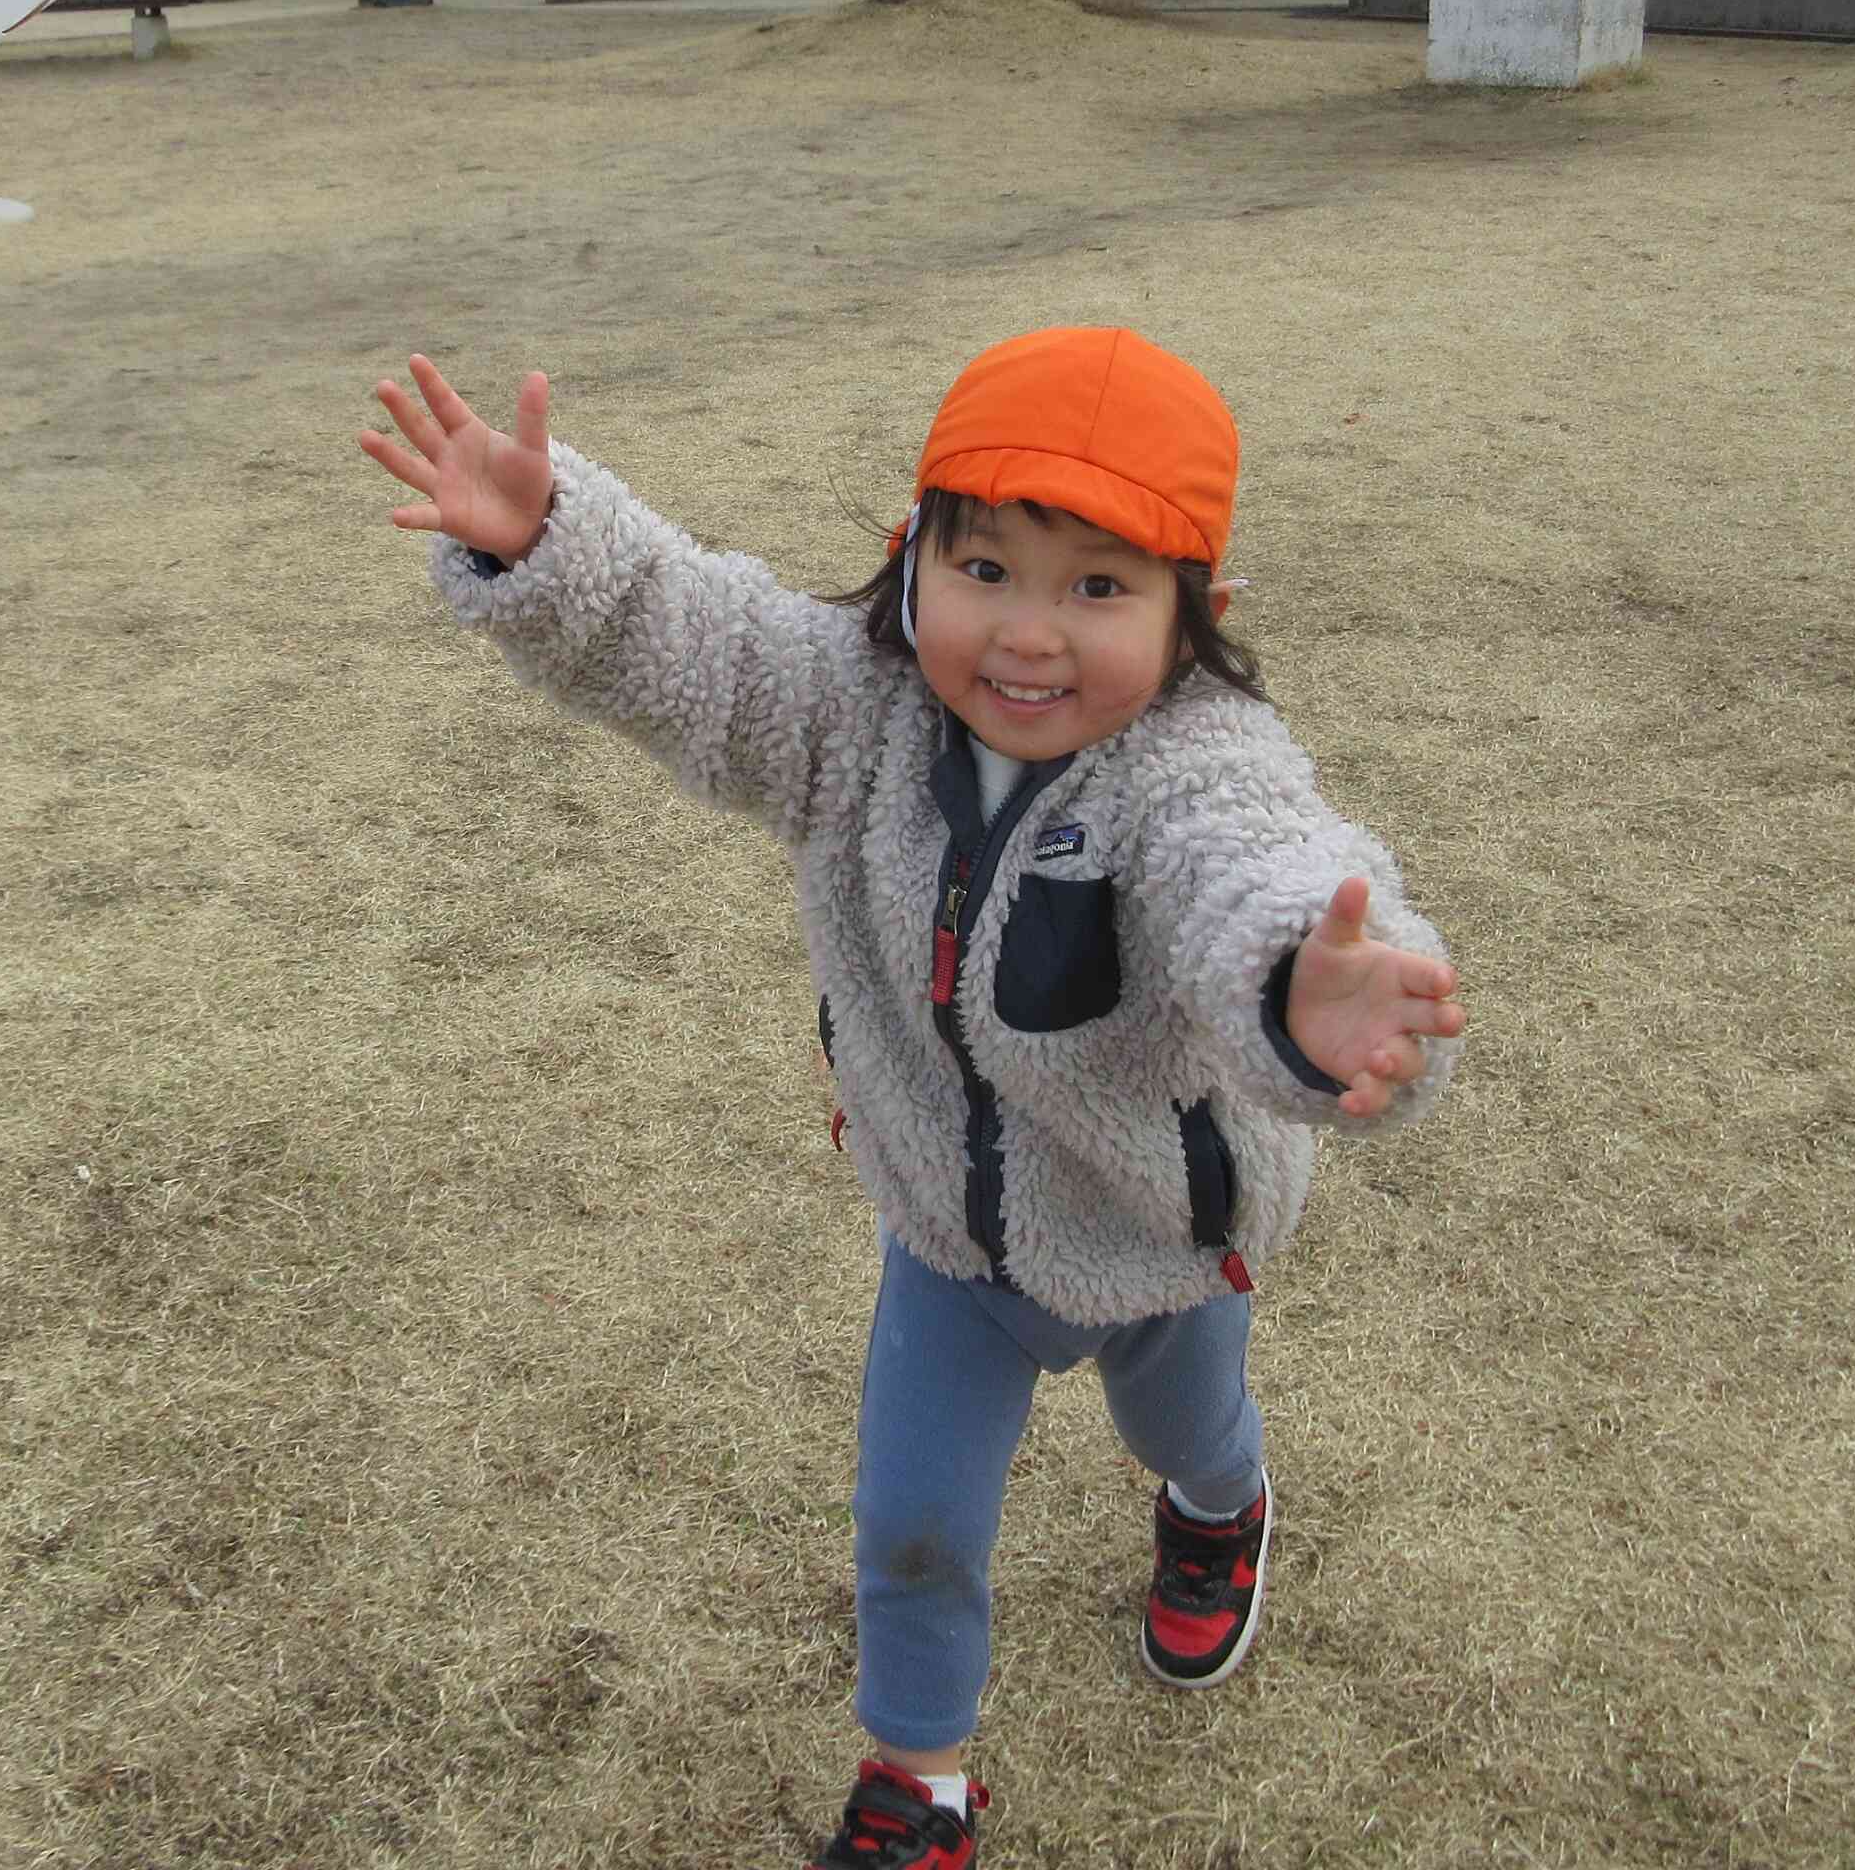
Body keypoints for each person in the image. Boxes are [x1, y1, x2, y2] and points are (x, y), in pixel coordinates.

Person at [357, 329, 1464, 1869]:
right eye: (987, 567)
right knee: (912, 1526)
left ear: (1191, 615)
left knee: (1185, 1428)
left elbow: (1254, 866)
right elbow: (700, 636)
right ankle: (921, 1784)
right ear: (911, 561)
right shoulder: (851, 715)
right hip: (952, 1243)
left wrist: (1301, 988)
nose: (1028, 634)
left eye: (1098, 587)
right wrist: (551, 544)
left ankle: (1224, 1508)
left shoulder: (1197, 763)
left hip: (1159, 1240)